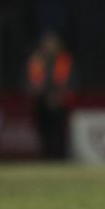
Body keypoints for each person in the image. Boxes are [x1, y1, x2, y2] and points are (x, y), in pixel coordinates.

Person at [26, 31, 74, 160]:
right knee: (44, 131)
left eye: (52, 43)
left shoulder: (63, 60)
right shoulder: (37, 60)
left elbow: (67, 81)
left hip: (60, 102)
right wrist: (42, 94)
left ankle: (60, 156)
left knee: (59, 131)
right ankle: (47, 156)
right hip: (41, 101)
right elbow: (33, 82)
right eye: (47, 43)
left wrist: (57, 96)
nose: (49, 46)